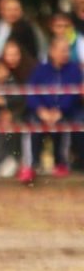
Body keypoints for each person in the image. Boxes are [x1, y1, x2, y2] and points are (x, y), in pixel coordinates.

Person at [23, 38, 82, 182]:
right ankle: (33, 165)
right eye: (62, 50)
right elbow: (31, 92)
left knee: (65, 126)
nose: (65, 54)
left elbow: (73, 93)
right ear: (52, 51)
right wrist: (41, 111)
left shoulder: (74, 70)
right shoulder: (40, 69)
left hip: (66, 113)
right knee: (34, 125)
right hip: (41, 113)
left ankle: (61, 163)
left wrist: (59, 111)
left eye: (67, 50)